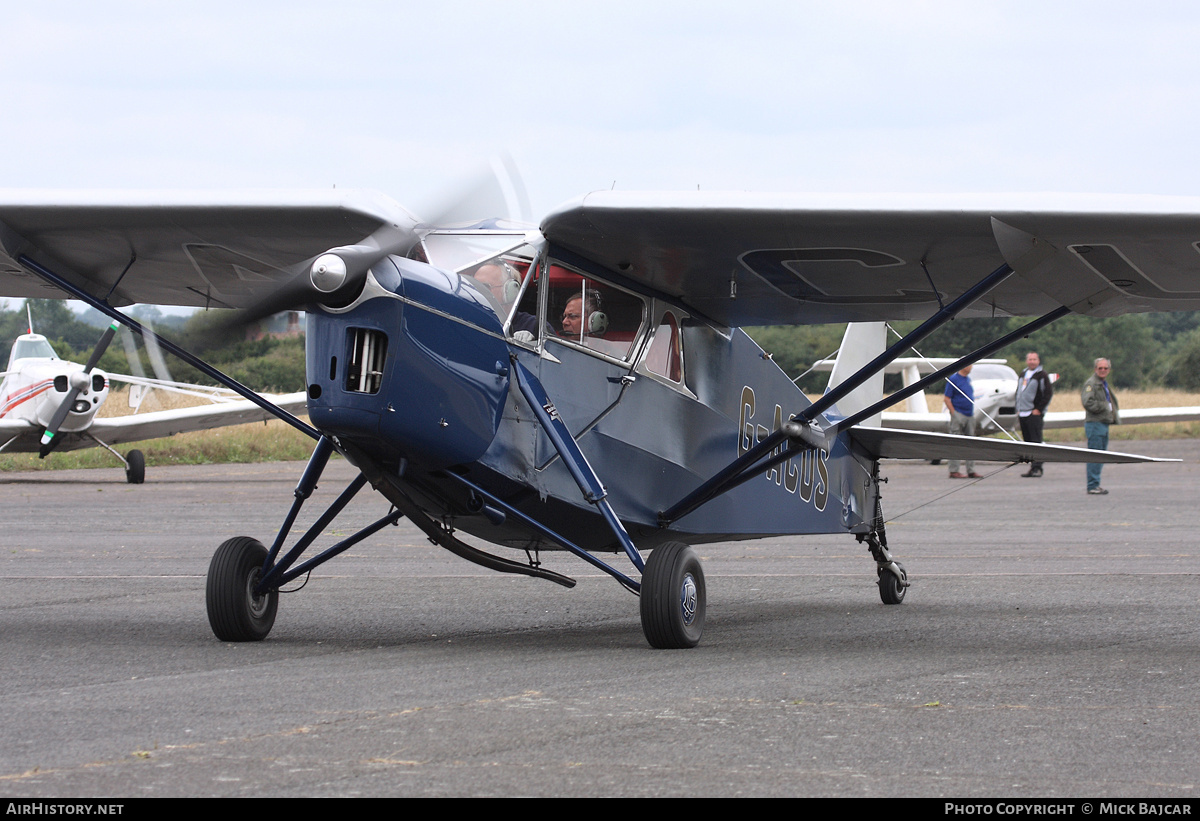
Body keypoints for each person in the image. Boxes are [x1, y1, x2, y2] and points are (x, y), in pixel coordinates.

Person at [1082, 357, 1119, 495]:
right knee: (1095, 455)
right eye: (1100, 368)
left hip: (1103, 423)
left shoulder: (1103, 384)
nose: (1103, 370)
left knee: (1101, 455)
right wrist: (1104, 407)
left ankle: (1095, 484)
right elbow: (1087, 402)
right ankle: (1092, 485)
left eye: (1105, 368)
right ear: (1095, 369)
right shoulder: (1091, 384)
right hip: (1095, 424)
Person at [1016, 351, 1053, 477]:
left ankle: (1038, 467)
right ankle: (1032, 467)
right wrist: (1018, 407)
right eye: (1030, 359)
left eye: (1034, 359)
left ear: (1038, 361)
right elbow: (1019, 391)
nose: (1032, 361)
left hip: (1034, 413)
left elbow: (1047, 393)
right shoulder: (1023, 374)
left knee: (1036, 441)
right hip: (1022, 413)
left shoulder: (1042, 375)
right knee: (1028, 441)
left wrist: (1039, 409)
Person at [944, 365, 979, 478]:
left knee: (971, 443)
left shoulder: (968, 379)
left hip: (970, 414)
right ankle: (954, 471)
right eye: (969, 364)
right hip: (959, 414)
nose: (971, 367)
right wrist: (954, 413)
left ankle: (971, 470)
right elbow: (947, 398)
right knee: (955, 441)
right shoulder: (953, 379)